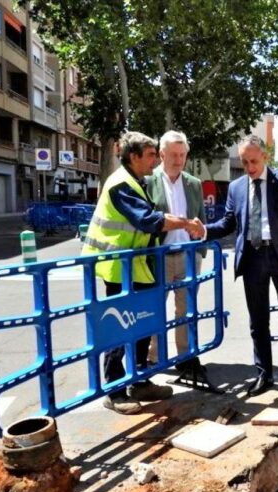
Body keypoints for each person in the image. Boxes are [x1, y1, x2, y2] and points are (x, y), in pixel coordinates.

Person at [82, 131, 203, 415]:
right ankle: (114, 391)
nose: (154, 161)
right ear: (134, 157)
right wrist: (186, 224)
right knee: (118, 327)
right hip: (117, 267)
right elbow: (149, 220)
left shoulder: (137, 182)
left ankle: (139, 381)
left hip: (137, 266)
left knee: (142, 324)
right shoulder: (121, 184)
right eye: (150, 155)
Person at [193, 135, 278, 398]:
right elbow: (228, 223)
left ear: (265, 156)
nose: (249, 167)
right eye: (245, 162)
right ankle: (264, 375)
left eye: (254, 161)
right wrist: (204, 230)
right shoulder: (236, 188)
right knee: (258, 322)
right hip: (252, 257)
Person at [146, 130, 207, 377]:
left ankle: (186, 357)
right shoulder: (148, 181)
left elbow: (201, 218)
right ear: (162, 154)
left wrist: (200, 250)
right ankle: (153, 358)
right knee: (154, 309)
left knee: (186, 309)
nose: (179, 160)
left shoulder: (194, 184)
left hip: (188, 257)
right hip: (158, 257)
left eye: (182, 155)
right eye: (173, 154)